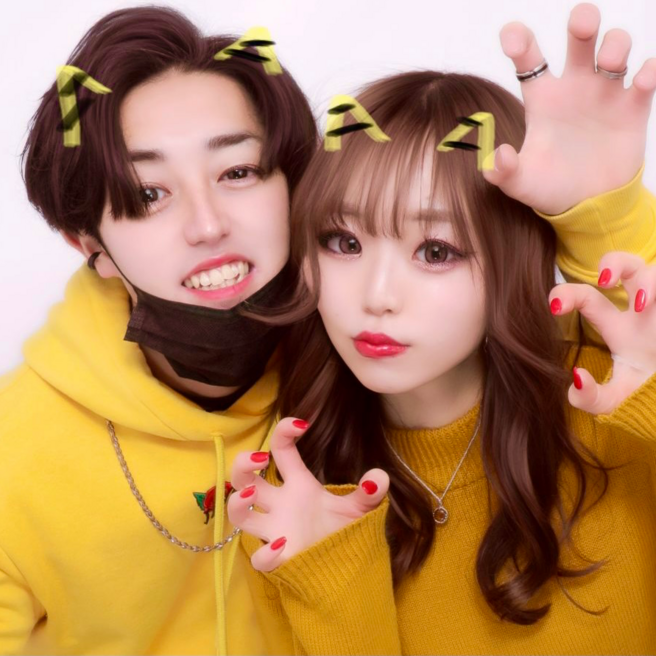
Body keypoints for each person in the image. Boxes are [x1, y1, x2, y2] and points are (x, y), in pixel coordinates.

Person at [227, 6, 656, 654]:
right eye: (343, 241)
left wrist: (604, 216)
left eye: (435, 251)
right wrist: (332, 577)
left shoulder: (612, 401)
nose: (376, 297)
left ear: (512, 259)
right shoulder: (297, 489)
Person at [0, 6, 317, 654]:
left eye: (237, 172)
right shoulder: (15, 450)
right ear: (89, 243)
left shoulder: (375, 370)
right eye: (149, 194)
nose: (208, 225)